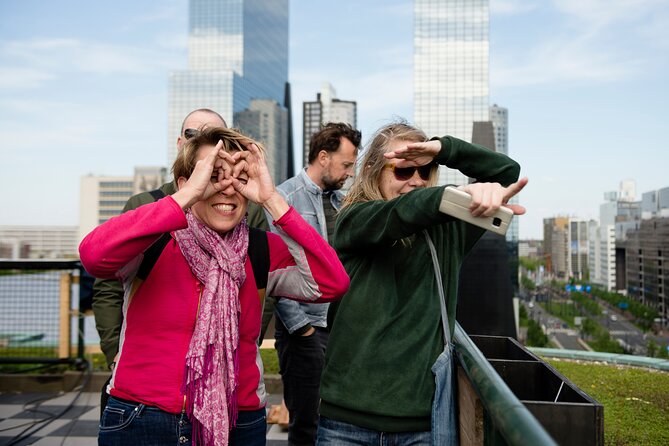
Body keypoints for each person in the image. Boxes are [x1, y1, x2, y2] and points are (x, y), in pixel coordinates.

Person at [80, 126, 350, 446]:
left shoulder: (261, 250)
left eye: (240, 177)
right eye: (213, 175)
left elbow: (332, 283)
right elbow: (94, 256)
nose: (226, 188)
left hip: (239, 419)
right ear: (186, 183)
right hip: (142, 415)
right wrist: (186, 196)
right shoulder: (154, 241)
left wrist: (271, 199)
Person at [316, 122, 527, 445]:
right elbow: (401, 214)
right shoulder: (355, 220)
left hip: (420, 425)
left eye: (426, 170)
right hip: (346, 423)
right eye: (403, 171)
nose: (416, 180)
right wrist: (454, 196)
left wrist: (443, 149)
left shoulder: (449, 230)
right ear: (374, 170)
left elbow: (507, 172)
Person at [268, 122, 360, 446]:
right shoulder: (281, 197)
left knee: (339, 423)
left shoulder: (342, 203)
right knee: (306, 425)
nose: (350, 172)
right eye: (346, 164)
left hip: (341, 328)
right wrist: (303, 330)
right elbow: (276, 270)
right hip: (305, 332)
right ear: (323, 157)